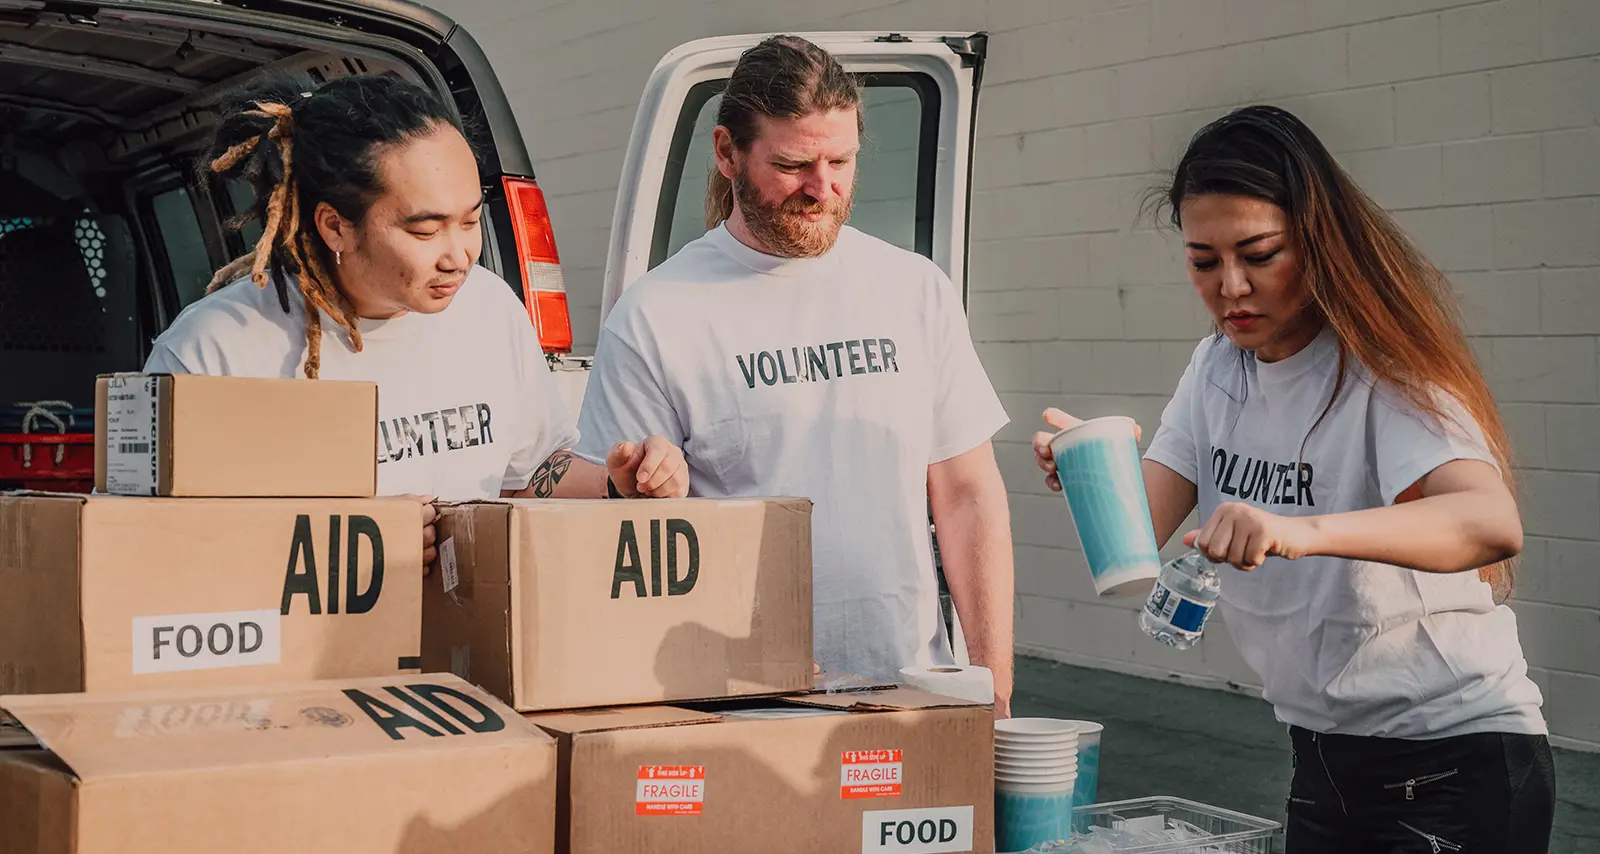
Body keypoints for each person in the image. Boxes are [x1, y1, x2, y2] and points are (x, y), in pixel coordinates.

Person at [1033, 106, 1554, 854]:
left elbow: (1489, 523)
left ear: (1317, 242)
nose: (1231, 288)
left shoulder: (1382, 369)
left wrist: (1298, 531)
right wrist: (1088, 469)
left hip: (1457, 759)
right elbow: (1140, 536)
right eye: (1203, 261)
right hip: (1323, 759)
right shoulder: (1217, 368)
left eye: (1259, 255)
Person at [574, 36, 1016, 716]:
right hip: (741, 704)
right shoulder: (657, 315)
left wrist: (994, 685)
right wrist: (638, 484)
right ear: (727, 153)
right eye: (792, 165)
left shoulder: (913, 289)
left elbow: (966, 494)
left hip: (913, 692)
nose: (823, 188)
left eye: (841, 161)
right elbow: (628, 541)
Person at [142, 74, 689, 570]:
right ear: (335, 226)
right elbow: (151, 552)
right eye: (426, 231)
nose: (459, 256)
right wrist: (353, 545)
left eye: (471, 221)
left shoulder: (489, 308)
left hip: (465, 641)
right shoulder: (213, 352)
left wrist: (619, 485)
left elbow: (527, 478)